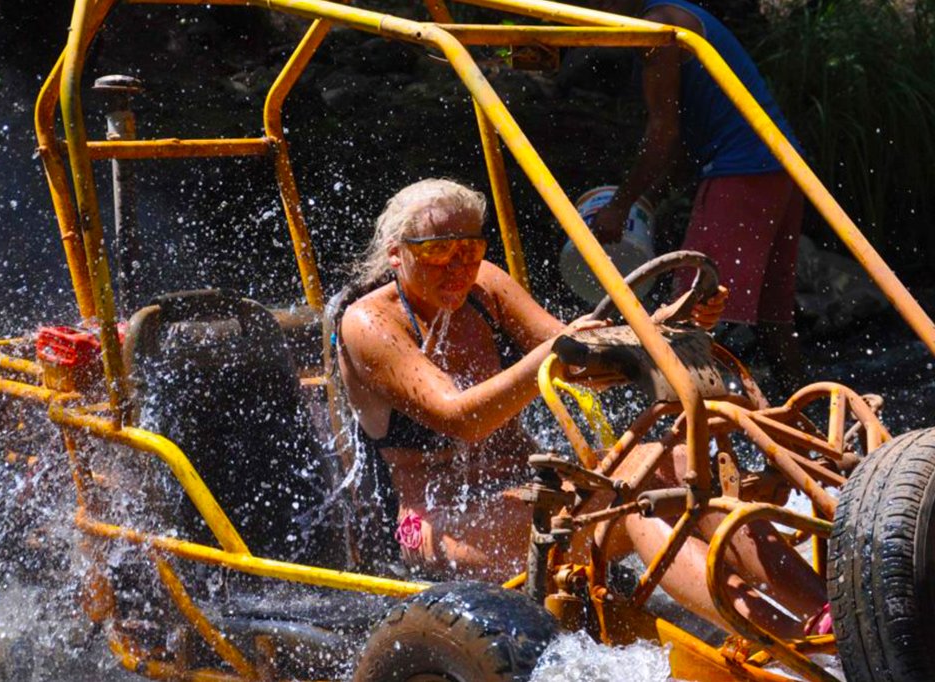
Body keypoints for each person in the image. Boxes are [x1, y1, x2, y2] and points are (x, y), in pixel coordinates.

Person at [335, 178, 828, 639]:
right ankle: (786, 641)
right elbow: (463, 418)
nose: (458, 266)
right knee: (635, 502)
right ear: (396, 256)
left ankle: (823, 615)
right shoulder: (368, 324)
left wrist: (667, 324)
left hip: (526, 494)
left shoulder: (485, 285)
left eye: (470, 249)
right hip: (439, 521)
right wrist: (548, 358)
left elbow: (583, 358)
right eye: (439, 251)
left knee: (678, 464)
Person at [588, 0, 807, 395]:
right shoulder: (678, 14)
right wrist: (649, 197)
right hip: (781, 167)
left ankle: (692, 431)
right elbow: (687, 132)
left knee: (690, 309)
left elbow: (663, 131)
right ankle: (800, 424)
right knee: (773, 317)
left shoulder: (657, 28)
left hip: (741, 170)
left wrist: (619, 206)